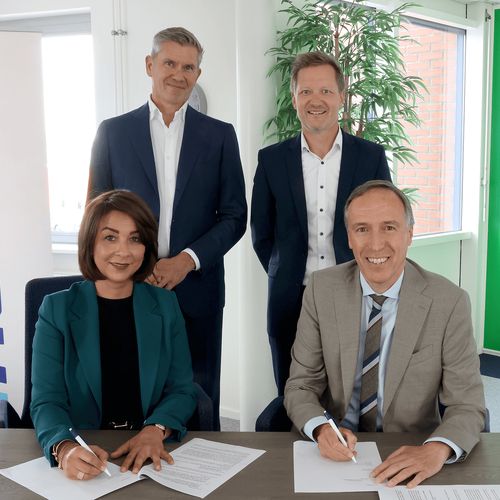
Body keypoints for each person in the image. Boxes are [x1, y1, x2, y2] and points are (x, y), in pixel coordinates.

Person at [87, 27, 247, 429]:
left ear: (197, 73)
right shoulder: (113, 132)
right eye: (169, 63)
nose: (178, 74)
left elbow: (234, 216)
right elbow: (96, 214)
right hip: (129, 288)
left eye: (188, 67)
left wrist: (186, 261)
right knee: (132, 397)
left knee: (200, 403)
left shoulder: (220, 136)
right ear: (150, 65)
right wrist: (134, 265)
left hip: (198, 293)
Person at [284, 180, 486, 488]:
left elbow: (468, 404)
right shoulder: (321, 290)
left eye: (389, 227)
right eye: (362, 229)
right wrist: (322, 429)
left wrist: (436, 449)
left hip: (413, 449)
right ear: (349, 237)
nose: (376, 244)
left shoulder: (449, 302)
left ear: (409, 234)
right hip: (335, 453)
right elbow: (301, 385)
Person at [251, 51, 391, 395]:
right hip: (290, 298)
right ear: (294, 98)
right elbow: (261, 233)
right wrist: (284, 271)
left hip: (356, 293)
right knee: (292, 393)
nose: (316, 100)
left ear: (341, 96)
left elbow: (386, 224)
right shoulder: (271, 160)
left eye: (326, 91)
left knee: (356, 394)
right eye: (306, 92)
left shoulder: (370, 157)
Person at [31, 190, 197, 480]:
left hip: (148, 452)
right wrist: (66, 448)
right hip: (86, 447)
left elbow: (181, 389)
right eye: (110, 237)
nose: (124, 251)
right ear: (90, 243)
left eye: (135, 238)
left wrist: (156, 429)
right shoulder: (57, 309)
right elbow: (47, 400)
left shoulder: (165, 305)